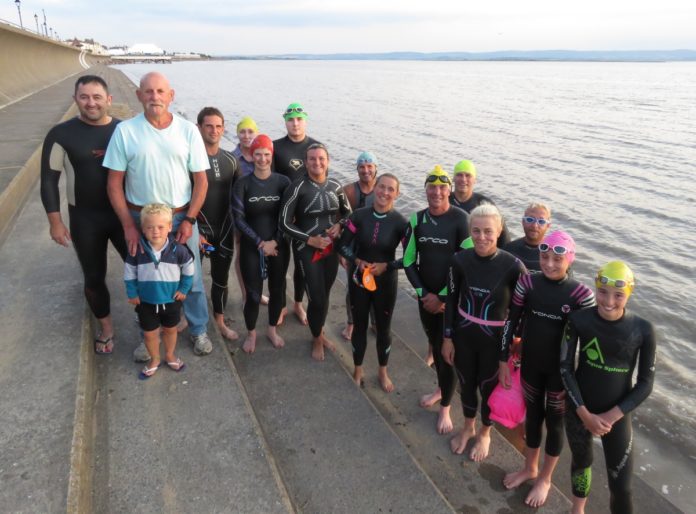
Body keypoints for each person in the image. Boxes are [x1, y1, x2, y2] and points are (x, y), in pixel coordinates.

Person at [105, 71, 213, 361]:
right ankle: (147, 336)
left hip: (180, 219)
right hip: (142, 220)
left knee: (192, 279)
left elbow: (201, 181)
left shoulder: (188, 130)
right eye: (149, 91)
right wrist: (128, 224)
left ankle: (198, 329)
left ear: (171, 95)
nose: (155, 97)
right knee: (146, 280)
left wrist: (190, 220)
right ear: (139, 95)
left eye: (160, 91)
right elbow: (114, 183)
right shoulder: (126, 131)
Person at [499, 231, 595, 507]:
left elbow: (588, 346)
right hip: (530, 364)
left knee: (554, 425)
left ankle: (545, 477)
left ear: (570, 259)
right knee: (531, 417)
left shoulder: (580, 294)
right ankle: (529, 468)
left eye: (557, 258)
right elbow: (511, 322)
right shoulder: (527, 283)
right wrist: (503, 359)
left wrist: (578, 387)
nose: (549, 263)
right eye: (544, 257)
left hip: (560, 374)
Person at [40, 74, 127, 354]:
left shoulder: (124, 131)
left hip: (123, 216)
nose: (91, 103)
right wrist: (55, 222)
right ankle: (107, 328)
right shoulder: (61, 134)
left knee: (142, 269)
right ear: (75, 99)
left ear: (108, 100)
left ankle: (150, 318)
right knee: (93, 277)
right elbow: (48, 180)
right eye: (84, 97)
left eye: (97, 97)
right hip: (85, 219)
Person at [560, 261, 656, 514]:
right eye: (602, 291)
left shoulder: (643, 330)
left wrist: (610, 417)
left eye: (618, 295)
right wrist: (584, 414)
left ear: (629, 294)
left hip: (617, 416)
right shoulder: (578, 319)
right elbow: (565, 368)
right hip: (580, 409)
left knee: (622, 486)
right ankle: (577, 510)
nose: (608, 301)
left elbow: (646, 383)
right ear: (596, 287)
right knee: (582, 463)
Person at [442, 204, 526, 461]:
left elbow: (520, 311)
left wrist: (516, 343)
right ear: (470, 231)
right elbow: (452, 300)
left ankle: (485, 433)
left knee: (490, 389)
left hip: (496, 341)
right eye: (476, 231)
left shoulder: (513, 266)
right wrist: (447, 337)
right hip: (464, 336)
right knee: (467, 385)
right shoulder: (459, 260)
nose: (482, 237)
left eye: (488, 231)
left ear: (499, 230)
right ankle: (468, 428)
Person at [403, 165, 471, 434]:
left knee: (448, 354)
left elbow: (467, 266)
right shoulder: (416, 220)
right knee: (434, 344)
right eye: (432, 187)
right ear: (426, 190)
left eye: (442, 187)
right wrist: (423, 294)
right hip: (425, 299)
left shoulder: (461, 220)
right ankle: (441, 390)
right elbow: (409, 261)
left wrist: (443, 297)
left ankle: (445, 407)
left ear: (449, 190)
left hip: (452, 303)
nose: (437, 192)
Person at [280, 143, 351, 361]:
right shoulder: (297, 187)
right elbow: (283, 223)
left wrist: (340, 226)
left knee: (325, 295)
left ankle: (318, 331)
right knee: (317, 298)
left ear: (327, 161)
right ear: (306, 161)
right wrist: (310, 239)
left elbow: (349, 215)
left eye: (321, 158)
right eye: (312, 159)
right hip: (305, 249)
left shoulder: (336, 186)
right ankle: (317, 338)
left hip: (330, 249)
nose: (317, 163)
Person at [337, 173, 406, 392]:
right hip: (359, 278)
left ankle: (382, 371)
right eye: (381, 187)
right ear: (374, 187)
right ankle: (358, 368)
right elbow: (342, 246)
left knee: (384, 329)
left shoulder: (400, 223)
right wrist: (357, 260)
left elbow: (410, 257)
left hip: (386, 282)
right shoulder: (359, 216)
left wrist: (388, 266)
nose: (385, 192)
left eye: (390, 189)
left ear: (397, 194)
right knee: (359, 325)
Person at [231, 135, 291, 353]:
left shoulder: (283, 183)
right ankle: (252, 333)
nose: (262, 159)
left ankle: (272, 329)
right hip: (251, 246)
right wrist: (260, 243)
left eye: (266, 154)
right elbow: (238, 218)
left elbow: (288, 218)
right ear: (252, 155)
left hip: (279, 246)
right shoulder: (243, 184)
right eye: (258, 154)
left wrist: (274, 241)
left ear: (271, 155)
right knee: (253, 294)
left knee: (277, 291)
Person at [124, 204, 193, 379]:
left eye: (161, 227)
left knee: (171, 330)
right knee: (149, 334)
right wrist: (132, 293)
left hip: (171, 300)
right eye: (150, 227)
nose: (155, 231)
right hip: (145, 302)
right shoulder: (136, 250)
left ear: (170, 227)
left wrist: (184, 288)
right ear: (143, 229)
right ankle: (154, 359)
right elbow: (129, 272)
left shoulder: (179, 250)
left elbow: (189, 269)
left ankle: (169, 355)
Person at [273, 102, 321, 325]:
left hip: (306, 217)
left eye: (299, 119)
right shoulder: (276, 147)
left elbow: (322, 182)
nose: (295, 123)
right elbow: (271, 182)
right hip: (283, 215)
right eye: (291, 119)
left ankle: (298, 304)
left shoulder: (316, 147)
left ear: (305, 120)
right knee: (281, 263)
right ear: (285, 121)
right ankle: (282, 304)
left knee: (302, 264)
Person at [195, 106, 241, 341]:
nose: (214, 130)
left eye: (219, 126)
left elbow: (240, 197)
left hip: (223, 231)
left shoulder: (231, 161)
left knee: (220, 279)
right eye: (209, 126)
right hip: (197, 231)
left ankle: (220, 321)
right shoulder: (189, 158)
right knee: (189, 279)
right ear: (199, 127)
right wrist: (192, 230)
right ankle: (188, 318)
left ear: (224, 129)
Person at [340, 151, 378, 341]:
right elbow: (342, 222)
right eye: (362, 167)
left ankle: (374, 322)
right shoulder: (349, 191)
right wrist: (342, 252)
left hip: (377, 247)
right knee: (353, 288)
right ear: (357, 169)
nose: (366, 170)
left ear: (375, 168)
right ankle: (351, 323)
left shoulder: (383, 189)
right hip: (354, 248)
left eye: (369, 166)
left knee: (376, 288)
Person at [231, 116, 268, 306]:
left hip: (260, 214)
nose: (246, 136)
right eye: (242, 131)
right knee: (242, 254)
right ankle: (246, 294)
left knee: (259, 252)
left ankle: (257, 293)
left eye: (250, 131)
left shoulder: (261, 155)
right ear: (237, 133)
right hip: (240, 215)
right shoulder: (232, 158)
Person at [449, 159, 509, 247]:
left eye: (468, 175)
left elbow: (504, 238)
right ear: (453, 178)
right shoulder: (444, 200)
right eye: (459, 175)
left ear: (474, 180)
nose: (463, 179)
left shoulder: (484, 204)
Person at [504, 203, 552, 272]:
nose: (535, 225)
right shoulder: (509, 250)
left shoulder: (554, 256)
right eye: (530, 219)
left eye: (541, 221)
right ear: (523, 221)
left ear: (548, 225)